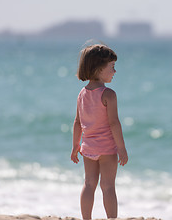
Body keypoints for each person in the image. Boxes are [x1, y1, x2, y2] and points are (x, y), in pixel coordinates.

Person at [70, 43, 128, 220]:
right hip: (107, 149)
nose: (115, 71)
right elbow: (114, 123)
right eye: (112, 67)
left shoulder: (82, 93)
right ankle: (112, 219)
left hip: (88, 148)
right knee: (108, 187)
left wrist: (75, 146)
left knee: (89, 184)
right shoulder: (108, 94)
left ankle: (86, 218)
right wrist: (122, 148)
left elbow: (77, 122)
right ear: (98, 68)